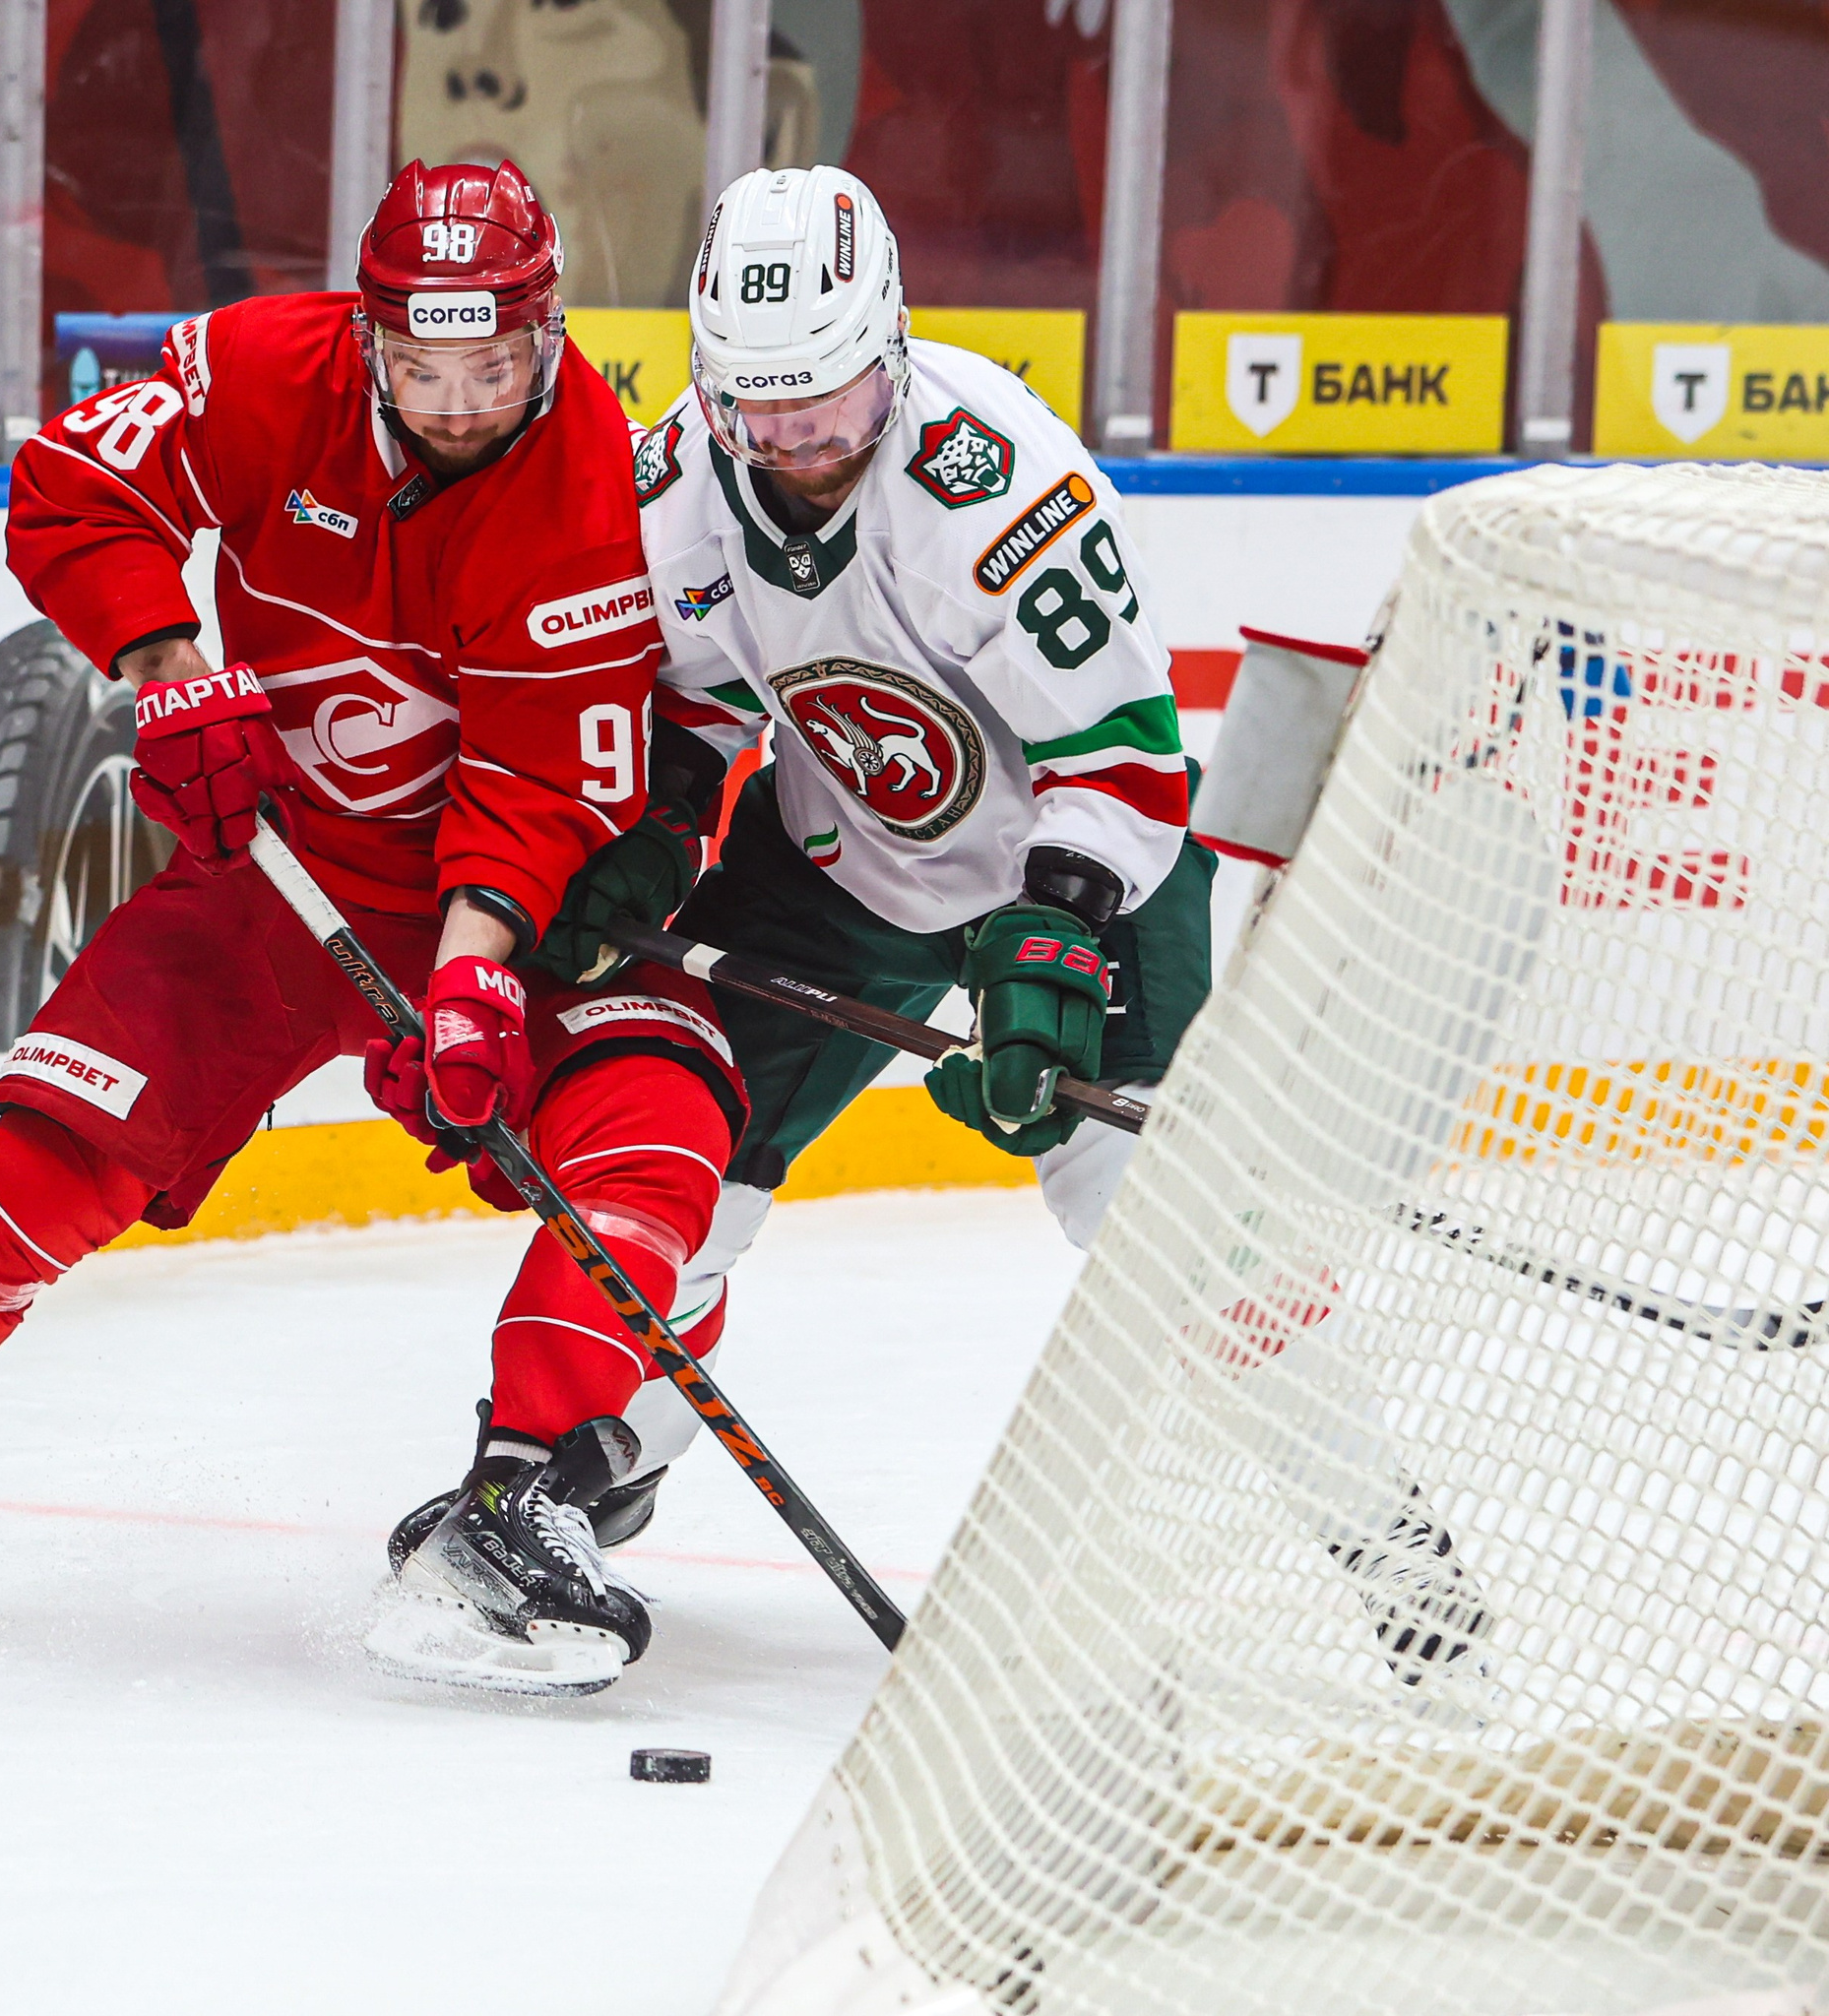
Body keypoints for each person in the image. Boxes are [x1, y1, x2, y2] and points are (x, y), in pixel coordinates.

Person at [0, 161, 747, 1699]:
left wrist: (477, 980)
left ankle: (525, 1493)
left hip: (478, 902)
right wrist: (171, 668)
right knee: (58, 1138)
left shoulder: (596, 500)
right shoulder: (256, 366)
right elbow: (76, 486)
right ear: (367, 339)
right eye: (421, 366)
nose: (456, 402)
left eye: (492, 365)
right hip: (269, 868)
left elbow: (535, 779)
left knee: (661, 1094)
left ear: (550, 332)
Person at [385, 168, 1490, 1690]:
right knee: (678, 1155)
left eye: (828, 412)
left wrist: (1052, 942)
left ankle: (1392, 1553)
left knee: (1172, 1229)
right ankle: (572, 1480)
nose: (796, 450)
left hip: (1090, 864)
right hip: (842, 859)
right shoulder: (675, 486)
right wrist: (648, 833)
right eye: (760, 416)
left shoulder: (1000, 488)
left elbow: (1123, 757)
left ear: (893, 352)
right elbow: (691, 703)